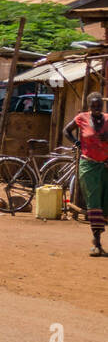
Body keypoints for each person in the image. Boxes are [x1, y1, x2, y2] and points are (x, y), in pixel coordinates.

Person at [66, 93, 108, 256]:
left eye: (99, 106)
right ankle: (96, 241)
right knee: (94, 202)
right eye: (94, 106)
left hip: (105, 166)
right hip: (88, 165)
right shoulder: (81, 118)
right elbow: (66, 131)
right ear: (89, 107)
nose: (97, 109)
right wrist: (77, 143)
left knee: (105, 202)